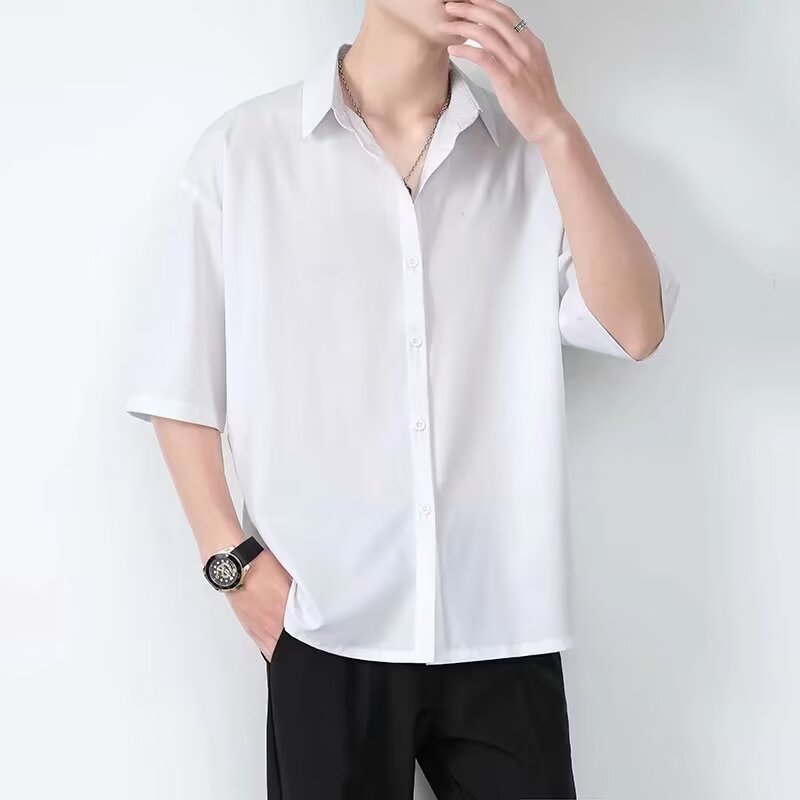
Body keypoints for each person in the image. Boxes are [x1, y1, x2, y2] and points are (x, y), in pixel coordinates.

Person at [124, 1, 679, 797]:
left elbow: (637, 328)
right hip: (325, 621)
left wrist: (556, 129)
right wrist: (234, 566)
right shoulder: (245, 153)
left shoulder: (528, 157)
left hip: (501, 623)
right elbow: (181, 382)